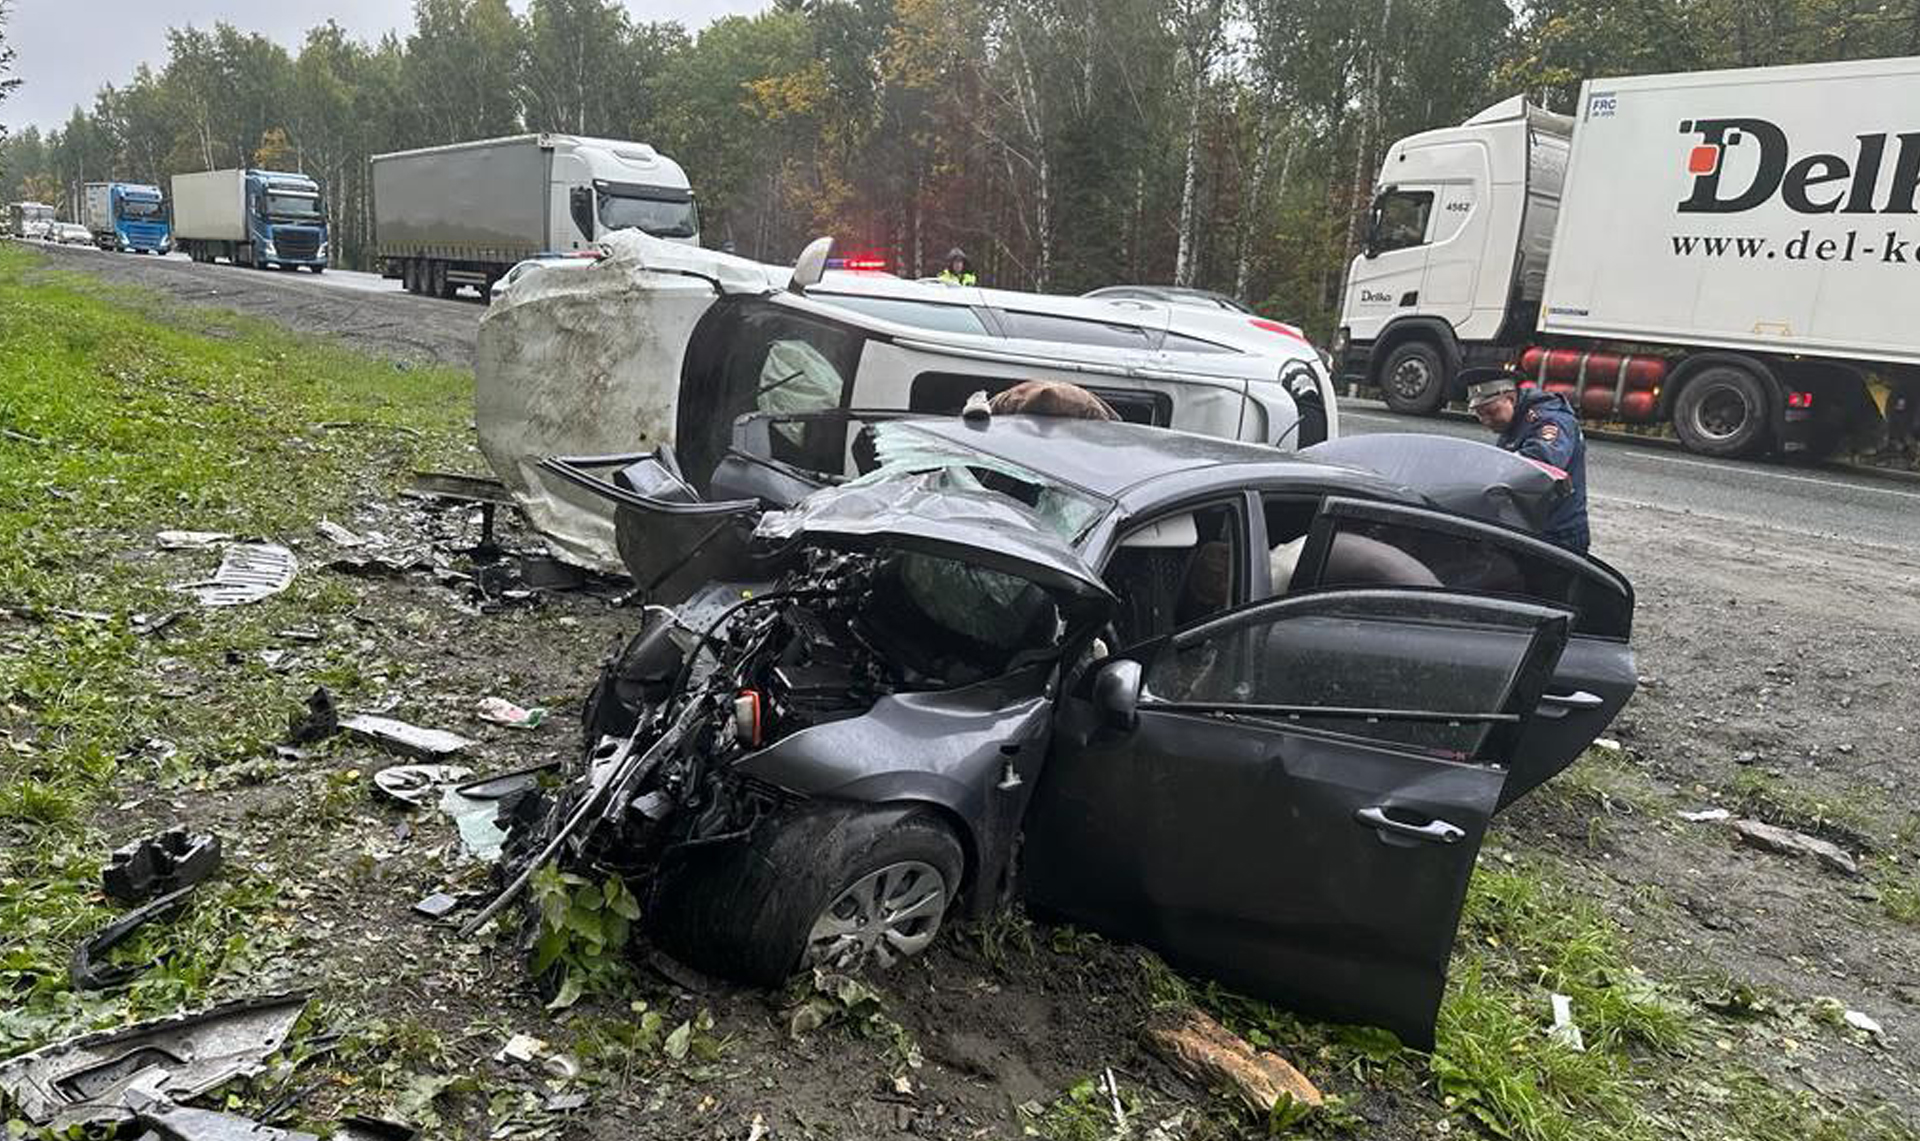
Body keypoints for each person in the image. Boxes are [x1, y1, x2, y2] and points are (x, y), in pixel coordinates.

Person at [1465, 369, 1590, 553]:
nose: (1485, 420)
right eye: (1479, 414)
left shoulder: (1550, 420)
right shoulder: (1515, 421)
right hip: (1530, 528)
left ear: (1511, 399)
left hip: (1558, 535)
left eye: (1491, 412)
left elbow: (1538, 465)